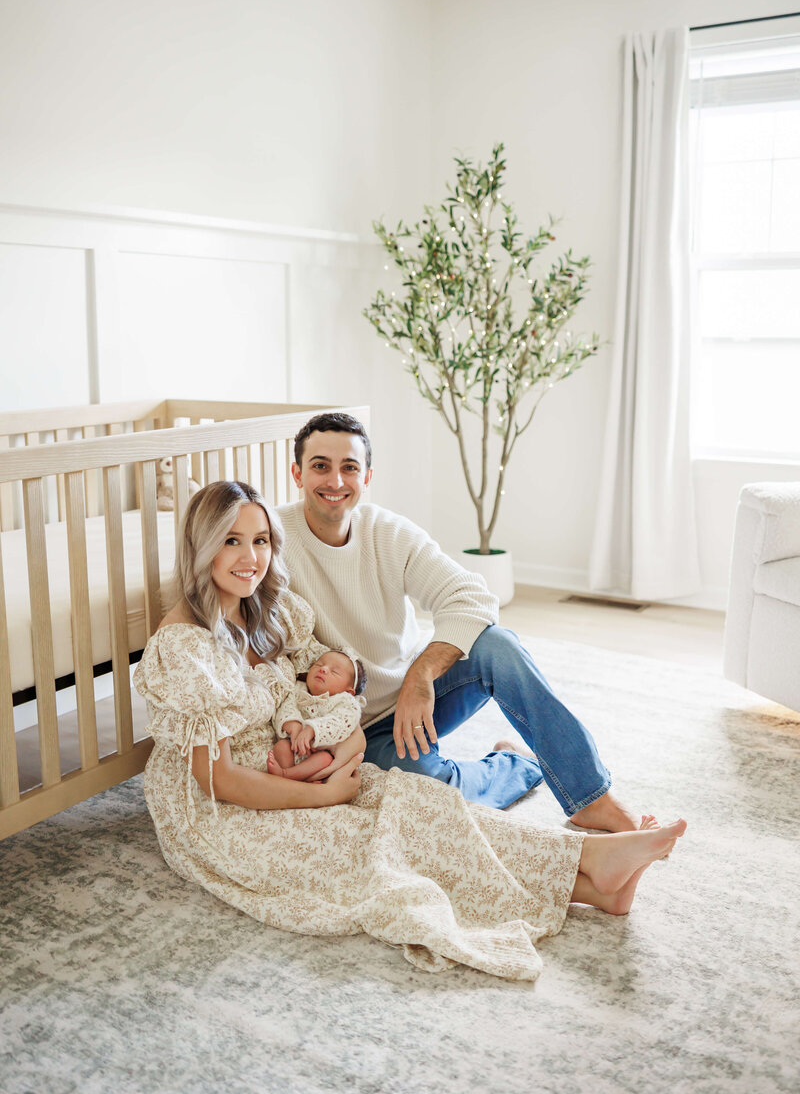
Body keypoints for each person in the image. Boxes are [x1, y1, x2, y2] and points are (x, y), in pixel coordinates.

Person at [135, 480, 686, 981]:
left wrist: (344, 750)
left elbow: (332, 692)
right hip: (221, 811)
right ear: (202, 546)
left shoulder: (270, 611)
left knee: (420, 805)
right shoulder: (185, 646)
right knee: (367, 847)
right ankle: (588, 875)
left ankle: (590, 875)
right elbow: (217, 780)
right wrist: (323, 793)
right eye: (232, 541)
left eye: (260, 542)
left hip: (302, 762)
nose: (250, 557)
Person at [278, 413, 648, 829]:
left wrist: (420, 675)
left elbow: (474, 596)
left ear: (367, 477)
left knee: (499, 646)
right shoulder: (270, 539)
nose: (335, 481)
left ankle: (589, 797)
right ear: (297, 473)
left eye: (349, 467)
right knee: (428, 793)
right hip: (351, 730)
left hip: (415, 699)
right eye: (320, 466)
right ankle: (515, 765)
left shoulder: (387, 532)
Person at [266, 648, 366, 782]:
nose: (323, 669)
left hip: (318, 754)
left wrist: (312, 729)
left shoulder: (346, 702)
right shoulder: (298, 689)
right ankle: (289, 778)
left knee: (324, 759)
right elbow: (287, 708)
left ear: (349, 691)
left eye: (335, 672)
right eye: (318, 664)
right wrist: (293, 726)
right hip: (294, 747)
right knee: (281, 747)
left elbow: (341, 721)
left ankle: (287, 775)